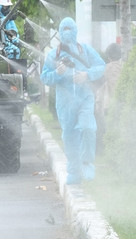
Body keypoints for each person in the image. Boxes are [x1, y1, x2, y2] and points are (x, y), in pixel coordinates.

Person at [40, 17, 106, 184]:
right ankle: (74, 172)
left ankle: (87, 163)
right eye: (64, 29)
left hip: (85, 98)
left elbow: (101, 66)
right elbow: (45, 77)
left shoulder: (85, 50)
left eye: (70, 29)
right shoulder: (53, 55)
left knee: (88, 127)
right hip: (65, 103)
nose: (67, 32)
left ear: (76, 31)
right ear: (59, 32)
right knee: (69, 136)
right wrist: (58, 73)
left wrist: (86, 74)